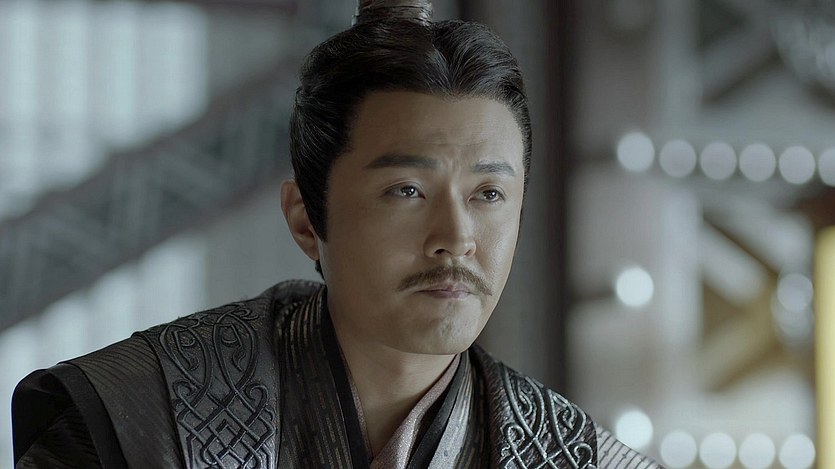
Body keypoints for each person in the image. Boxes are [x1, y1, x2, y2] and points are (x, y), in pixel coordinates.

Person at [12, 1, 660, 467]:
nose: (456, 237)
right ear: (305, 217)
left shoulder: (572, 454)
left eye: (488, 194)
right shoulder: (137, 415)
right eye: (406, 190)